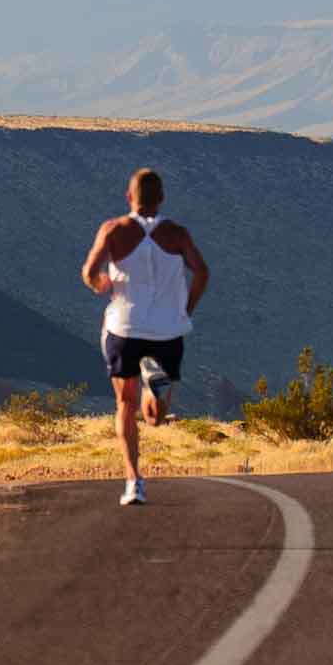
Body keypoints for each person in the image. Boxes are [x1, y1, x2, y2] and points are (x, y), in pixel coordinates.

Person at [80, 167, 209, 505]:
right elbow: (202, 272)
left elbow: (90, 272)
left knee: (125, 404)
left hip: (125, 327)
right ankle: (154, 382)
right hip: (168, 331)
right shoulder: (177, 234)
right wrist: (185, 309)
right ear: (162, 198)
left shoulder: (113, 230)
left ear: (129, 197)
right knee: (155, 417)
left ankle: (133, 481)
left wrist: (102, 284)